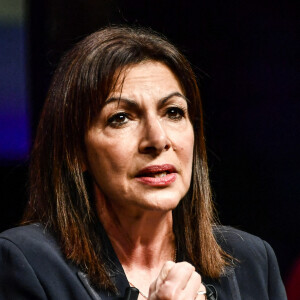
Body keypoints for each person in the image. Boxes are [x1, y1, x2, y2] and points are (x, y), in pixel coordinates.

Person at [0, 26, 286, 300]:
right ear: (76, 151)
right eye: (121, 117)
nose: (158, 139)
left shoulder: (252, 260)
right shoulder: (25, 262)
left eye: (173, 112)